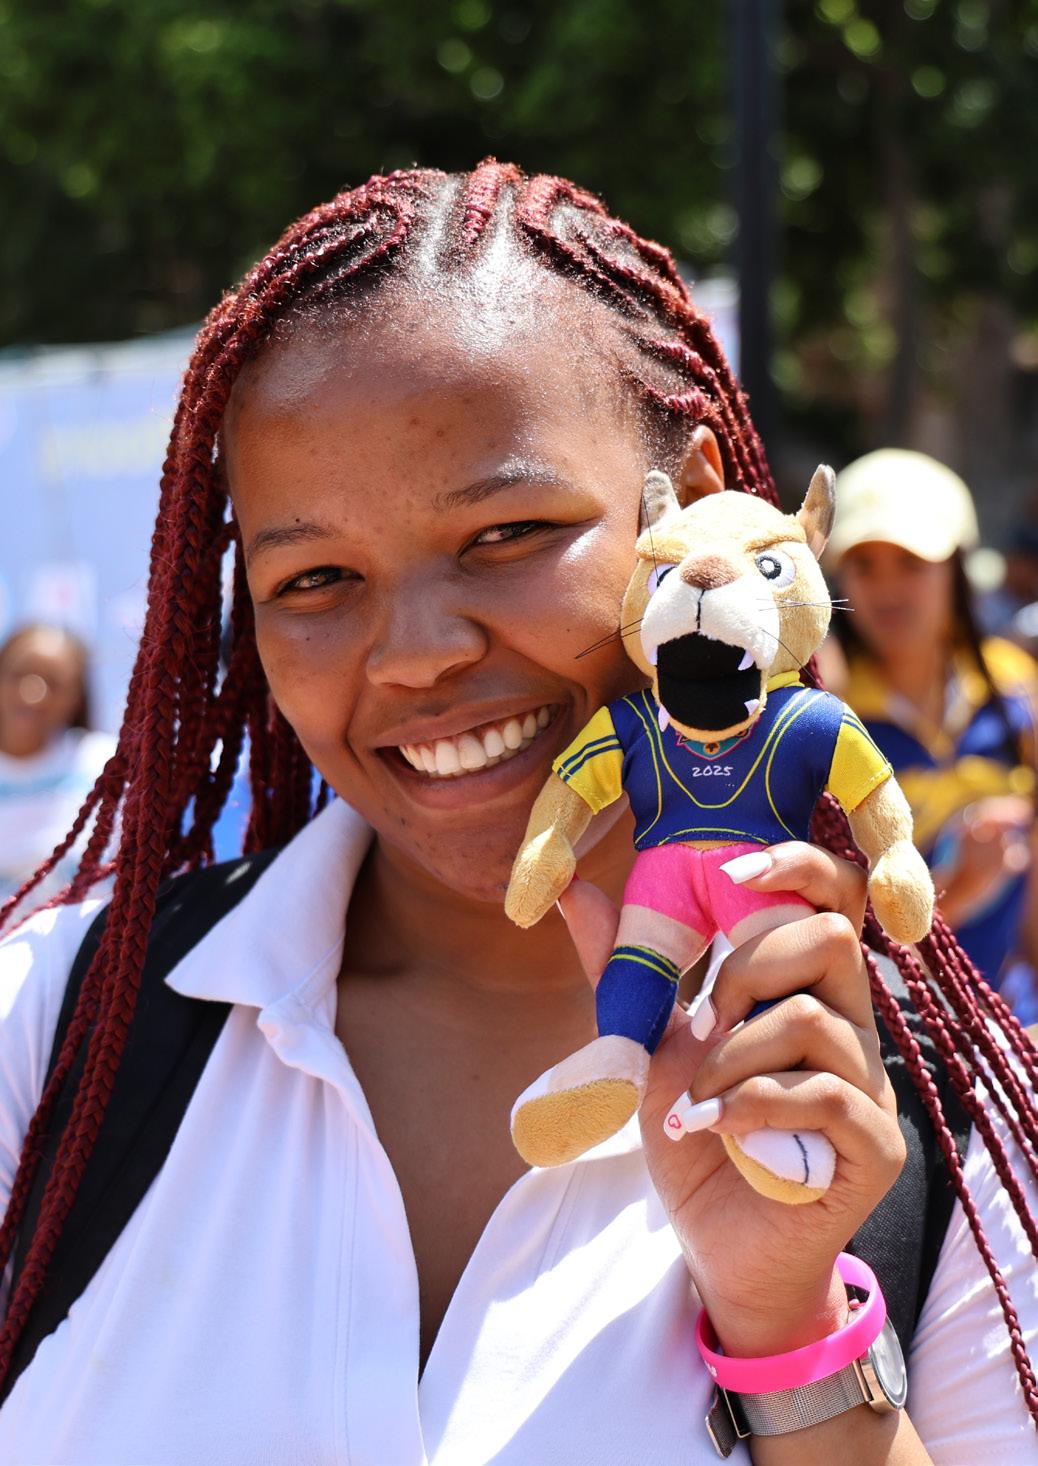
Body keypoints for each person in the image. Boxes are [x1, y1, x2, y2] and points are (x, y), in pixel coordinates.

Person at [0, 164, 1034, 1465]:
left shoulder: (937, 1125)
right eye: (315, 577)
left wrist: (790, 1329)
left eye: (505, 533)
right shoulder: (58, 1032)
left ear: (693, 506)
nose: (416, 653)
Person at [823, 450, 1038, 1018]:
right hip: (894, 1037)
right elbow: (833, 942)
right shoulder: (825, 716)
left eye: (911, 562)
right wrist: (957, 892)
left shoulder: (1018, 691)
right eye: (864, 564)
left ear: (958, 569)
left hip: (1014, 1025)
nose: (887, 587)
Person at [0, 624, 115, 907]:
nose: (33, 693)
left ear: (77, 696)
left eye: (53, 683)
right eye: (19, 674)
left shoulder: (107, 765)